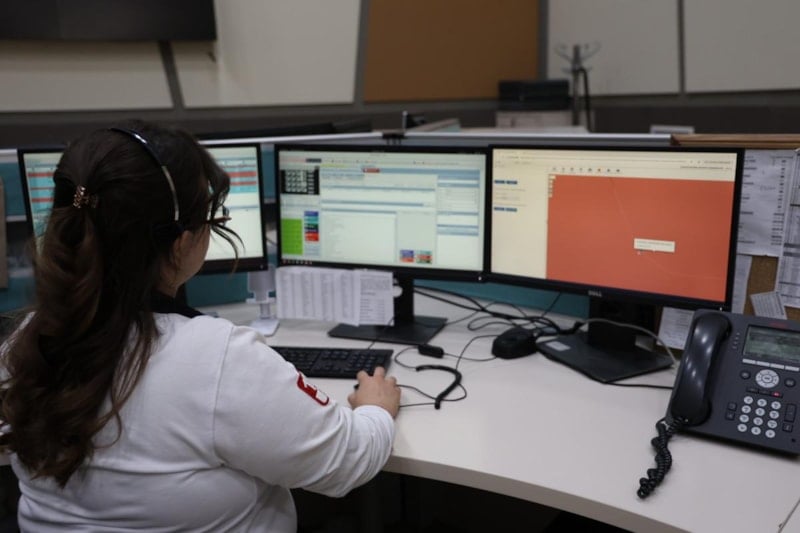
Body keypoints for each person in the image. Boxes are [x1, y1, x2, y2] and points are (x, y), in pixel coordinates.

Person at [0, 121, 401, 532]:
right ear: (181, 243)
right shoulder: (216, 359)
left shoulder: (26, 344)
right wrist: (375, 408)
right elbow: (347, 462)